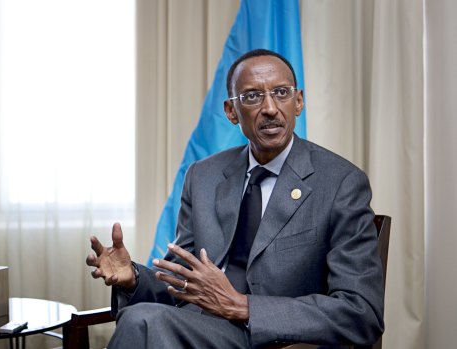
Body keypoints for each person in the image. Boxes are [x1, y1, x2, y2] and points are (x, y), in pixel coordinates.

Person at [86, 48, 384, 348]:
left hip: (270, 338)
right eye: (252, 96)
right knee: (145, 319)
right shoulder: (204, 176)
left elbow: (361, 312)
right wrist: (134, 277)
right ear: (231, 111)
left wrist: (243, 306)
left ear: (299, 101)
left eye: (281, 92)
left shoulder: (340, 182)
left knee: (143, 322)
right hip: (196, 327)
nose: (269, 108)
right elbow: (180, 282)